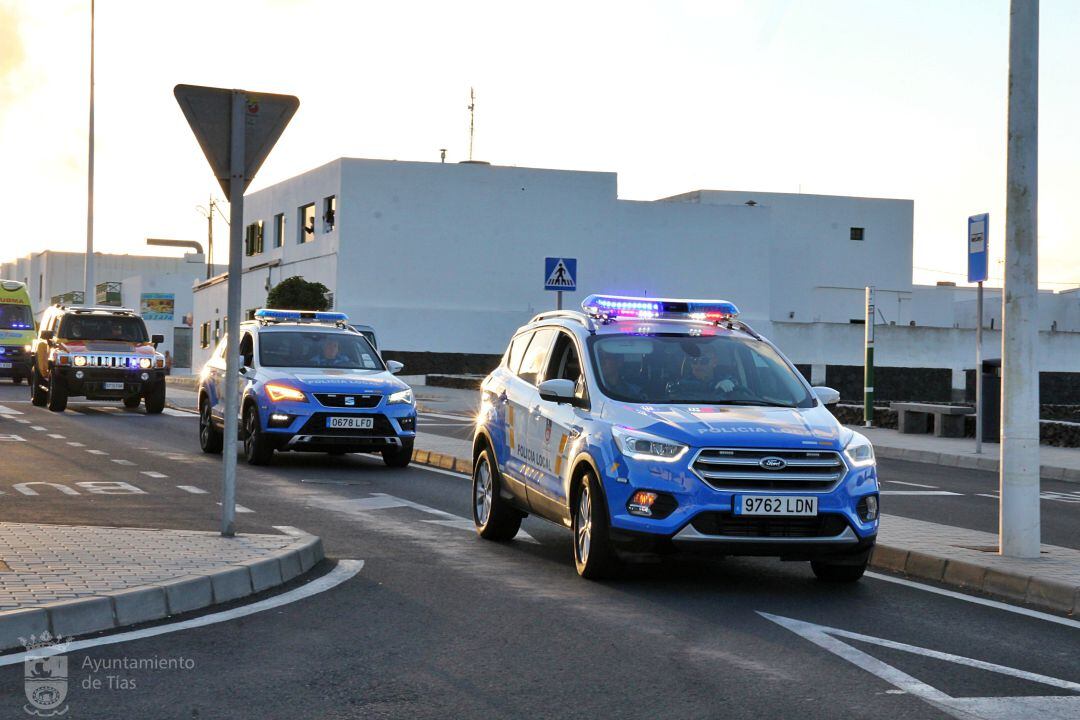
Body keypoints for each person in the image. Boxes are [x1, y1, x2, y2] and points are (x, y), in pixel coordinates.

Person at [666, 346, 739, 399]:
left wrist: (731, 383)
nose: (698, 365)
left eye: (704, 361)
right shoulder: (682, 384)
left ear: (714, 362)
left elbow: (740, 388)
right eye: (694, 361)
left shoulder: (725, 378)